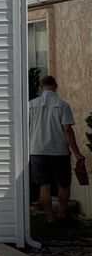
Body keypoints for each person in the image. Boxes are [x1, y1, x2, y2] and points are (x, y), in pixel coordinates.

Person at [29, 75, 86, 224]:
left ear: (41, 88)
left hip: (37, 150)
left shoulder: (30, 105)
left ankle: (49, 216)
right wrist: (76, 153)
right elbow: (67, 130)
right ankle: (61, 214)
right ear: (56, 86)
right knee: (64, 183)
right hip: (59, 150)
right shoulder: (62, 105)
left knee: (44, 184)